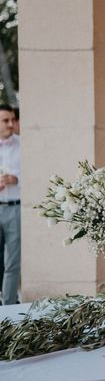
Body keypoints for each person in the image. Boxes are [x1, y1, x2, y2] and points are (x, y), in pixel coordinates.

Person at [0, 105, 20, 305]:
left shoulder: (23, 145)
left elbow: (33, 174)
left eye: (12, 120)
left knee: (12, 262)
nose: (11, 124)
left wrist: (17, 179)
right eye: (5, 121)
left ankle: (8, 306)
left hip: (15, 208)